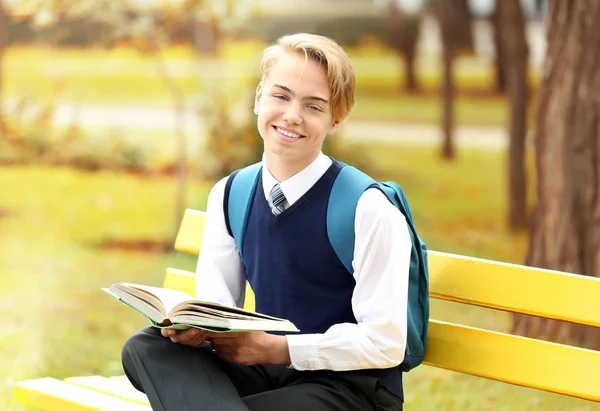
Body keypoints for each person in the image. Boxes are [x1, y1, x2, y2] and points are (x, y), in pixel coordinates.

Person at [121, 33, 412, 411]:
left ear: (335, 120)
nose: (292, 115)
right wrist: (198, 330)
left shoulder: (366, 207)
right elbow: (218, 305)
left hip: (349, 387)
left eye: (313, 106)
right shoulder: (231, 192)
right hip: (266, 369)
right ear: (259, 97)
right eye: (281, 95)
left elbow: (386, 343)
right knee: (145, 348)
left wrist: (278, 348)